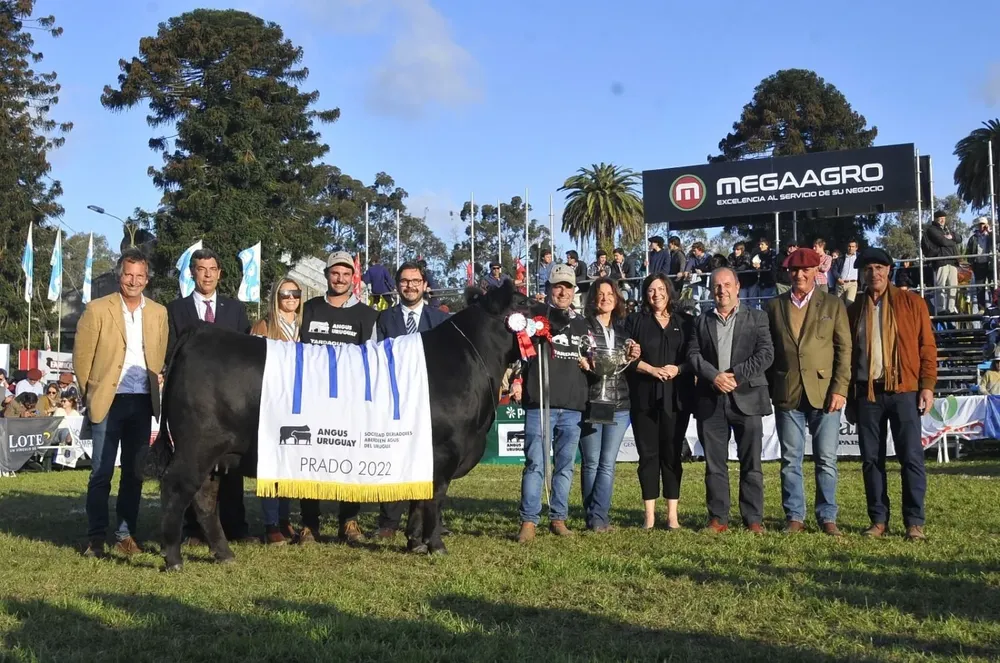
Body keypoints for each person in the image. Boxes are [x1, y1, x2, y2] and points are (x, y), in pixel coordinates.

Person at [74, 248, 168, 558]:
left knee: (133, 472)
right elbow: (82, 358)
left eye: (140, 276)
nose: (134, 280)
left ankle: (126, 534)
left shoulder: (158, 312)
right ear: (119, 275)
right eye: (129, 274)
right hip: (108, 401)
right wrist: (92, 393)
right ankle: (95, 537)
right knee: (101, 472)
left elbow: (159, 356)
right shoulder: (97, 309)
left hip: (142, 403)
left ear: (147, 279)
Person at [846, 248, 936, 541]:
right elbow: (846, 354)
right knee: (871, 460)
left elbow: (927, 347)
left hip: (904, 390)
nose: (875, 273)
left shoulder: (913, 303)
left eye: (880, 267)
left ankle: (914, 521)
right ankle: (878, 519)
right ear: (862, 273)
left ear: (889, 270)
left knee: (911, 457)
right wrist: (849, 395)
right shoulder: (854, 308)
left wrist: (927, 384)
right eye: (869, 268)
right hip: (868, 392)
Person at [166, 247, 253, 545]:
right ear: (191, 273)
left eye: (212, 269)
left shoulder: (235, 310)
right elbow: (171, 354)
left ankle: (236, 527)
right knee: (194, 463)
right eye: (200, 269)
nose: (206, 274)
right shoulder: (176, 310)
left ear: (220, 273)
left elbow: (245, 353)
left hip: (232, 402)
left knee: (232, 467)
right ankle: (193, 530)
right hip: (194, 402)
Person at [766, 249, 851, 536]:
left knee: (826, 459)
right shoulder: (773, 306)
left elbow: (844, 349)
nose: (799, 275)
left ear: (817, 270)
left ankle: (827, 516)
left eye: (805, 270)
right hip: (787, 393)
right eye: (794, 271)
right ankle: (795, 516)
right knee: (790, 459)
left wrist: (840, 388)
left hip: (826, 393)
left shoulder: (833, 304)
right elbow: (768, 351)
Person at [299, 250, 380, 544]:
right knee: (309, 460)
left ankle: (349, 522)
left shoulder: (368, 315)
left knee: (350, 460)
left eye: (346, 273)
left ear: (353, 277)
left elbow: (372, 359)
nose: (340, 278)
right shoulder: (307, 309)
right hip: (311, 398)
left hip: (350, 402)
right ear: (327, 275)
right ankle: (309, 524)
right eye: (335, 273)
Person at [688, 267, 774, 533]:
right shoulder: (701, 321)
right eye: (716, 285)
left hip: (747, 397)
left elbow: (766, 354)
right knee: (715, 464)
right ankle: (718, 518)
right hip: (711, 400)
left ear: (737, 287)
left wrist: (735, 376)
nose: (721, 290)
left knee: (751, 463)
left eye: (726, 284)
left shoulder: (757, 317)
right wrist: (714, 377)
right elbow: (693, 355)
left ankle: (753, 518)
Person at [509, 263, 591, 542]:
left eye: (567, 286)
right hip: (539, 402)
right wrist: (517, 379)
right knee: (535, 464)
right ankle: (529, 521)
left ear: (573, 291)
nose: (563, 291)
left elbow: (591, 358)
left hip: (572, 404)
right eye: (558, 286)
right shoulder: (531, 318)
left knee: (566, 465)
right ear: (548, 289)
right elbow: (519, 354)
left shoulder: (582, 322)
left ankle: (558, 518)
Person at [373, 261, 450, 539]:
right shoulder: (385, 319)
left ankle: (430, 521)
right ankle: (388, 522)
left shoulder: (440, 319)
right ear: (397, 285)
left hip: (430, 403)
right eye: (405, 281)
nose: (410, 286)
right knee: (393, 460)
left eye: (415, 281)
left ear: (425, 285)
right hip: (393, 403)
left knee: (431, 464)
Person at [624, 273, 695, 530]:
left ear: (669, 291)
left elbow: (693, 357)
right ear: (645, 293)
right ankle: (650, 516)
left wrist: (678, 369)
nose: (657, 294)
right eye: (651, 290)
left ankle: (673, 516)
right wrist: (650, 370)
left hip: (676, 398)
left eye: (661, 289)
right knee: (648, 455)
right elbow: (625, 357)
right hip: (644, 398)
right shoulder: (634, 321)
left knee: (672, 455)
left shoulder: (685, 322)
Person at [578, 278, 639, 532]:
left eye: (610, 294)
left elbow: (628, 362)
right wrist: (581, 362)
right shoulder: (583, 328)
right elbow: (577, 355)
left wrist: (634, 353)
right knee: (591, 462)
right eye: (600, 294)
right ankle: (593, 517)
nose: (605, 298)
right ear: (593, 299)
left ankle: (599, 516)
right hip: (591, 400)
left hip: (620, 403)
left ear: (617, 299)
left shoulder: (624, 331)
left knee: (607, 463)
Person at [251, 277, 304, 545]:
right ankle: (271, 523)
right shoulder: (265, 325)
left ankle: (285, 519)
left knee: (290, 464)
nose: (290, 298)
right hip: (270, 402)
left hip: (299, 404)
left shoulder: (304, 327)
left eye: (295, 293)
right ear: (276, 297)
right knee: (271, 462)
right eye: (284, 293)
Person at [924, 209, 960, 316]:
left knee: (953, 286)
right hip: (940, 261)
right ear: (936, 219)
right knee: (941, 286)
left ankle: (951, 308)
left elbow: (959, 238)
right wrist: (951, 241)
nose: (942, 221)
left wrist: (952, 237)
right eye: (940, 219)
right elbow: (942, 241)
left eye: (944, 219)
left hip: (952, 261)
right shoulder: (932, 230)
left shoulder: (948, 230)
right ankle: (940, 309)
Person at [966, 217, 993, 312]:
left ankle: (995, 306)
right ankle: (982, 308)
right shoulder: (973, 238)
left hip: (990, 264)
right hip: (978, 265)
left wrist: (990, 232)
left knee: (993, 286)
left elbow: (997, 240)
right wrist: (971, 262)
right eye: (980, 224)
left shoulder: (990, 236)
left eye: (984, 224)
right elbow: (968, 251)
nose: (982, 226)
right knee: (980, 288)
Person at [833, 239, 861, 304]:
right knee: (838, 305)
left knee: (850, 304)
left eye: (853, 246)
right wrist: (838, 278)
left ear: (856, 248)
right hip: (840, 284)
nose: (851, 248)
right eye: (849, 246)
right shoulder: (840, 259)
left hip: (852, 284)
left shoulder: (859, 258)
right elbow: (834, 270)